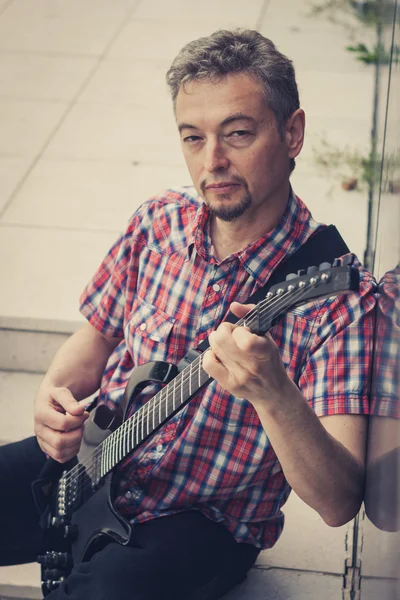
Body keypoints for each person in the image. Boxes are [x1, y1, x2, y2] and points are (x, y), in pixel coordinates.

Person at [0, 29, 376, 600]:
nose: (213, 161)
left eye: (238, 134)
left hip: (200, 521)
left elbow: (338, 501)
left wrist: (274, 393)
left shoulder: (341, 300)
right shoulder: (158, 222)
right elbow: (97, 337)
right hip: (94, 462)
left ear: (292, 132)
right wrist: (54, 394)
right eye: (193, 138)